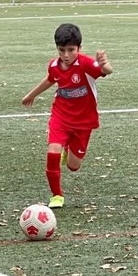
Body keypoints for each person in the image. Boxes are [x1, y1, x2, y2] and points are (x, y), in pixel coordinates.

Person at [21, 23, 113, 208]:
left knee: (73, 166)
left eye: (71, 50)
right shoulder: (54, 65)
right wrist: (31, 95)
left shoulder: (86, 63)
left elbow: (105, 71)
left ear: (79, 48)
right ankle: (57, 195)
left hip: (83, 121)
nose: (66, 55)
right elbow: (50, 79)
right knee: (52, 152)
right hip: (60, 116)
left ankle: (69, 148)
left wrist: (105, 65)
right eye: (62, 50)